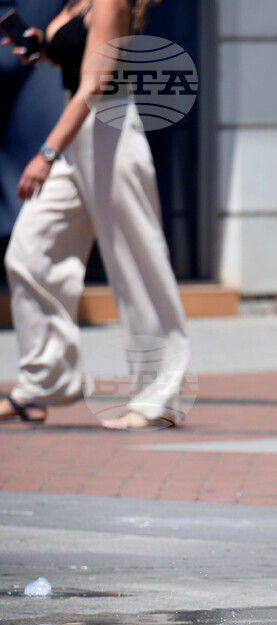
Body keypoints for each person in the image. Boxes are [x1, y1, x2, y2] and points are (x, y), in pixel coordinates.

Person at [0, 0, 190, 430]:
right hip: (78, 143)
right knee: (28, 254)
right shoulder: (76, 3)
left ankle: (158, 397)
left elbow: (96, 83)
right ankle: (43, 383)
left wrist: (46, 153)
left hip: (111, 133)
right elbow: (73, 55)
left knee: (137, 267)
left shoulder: (109, 2)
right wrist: (41, 47)